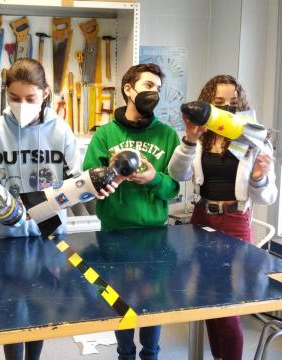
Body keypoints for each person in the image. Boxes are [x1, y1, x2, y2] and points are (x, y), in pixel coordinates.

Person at [0, 58, 116, 360]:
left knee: (41, 305)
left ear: (46, 93)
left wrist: (93, 189)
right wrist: (12, 212)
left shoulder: (62, 131)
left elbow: (75, 184)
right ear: (5, 94)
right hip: (7, 232)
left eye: (30, 98)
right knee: (10, 309)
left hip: (49, 232)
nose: (22, 104)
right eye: (14, 98)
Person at [168, 74, 277, 360]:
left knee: (228, 306)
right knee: (207, 300)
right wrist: (189, 141)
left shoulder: (254, 139)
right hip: (203, 216)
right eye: (219, 103)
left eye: (233, 102)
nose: (227, 108)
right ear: (208, 104)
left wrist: (258, 178)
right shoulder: (200, 137)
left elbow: (267, 196)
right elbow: (178, 175)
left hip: (235, 220)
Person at [82, 63, 180, 360]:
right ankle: (125, 354)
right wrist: (111, 175)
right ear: (128, 89)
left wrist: (154, 179)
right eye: (148, 86)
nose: (154, 94)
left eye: (158, 89)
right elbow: (89, 180)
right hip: (114, 235)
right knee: (121, 303)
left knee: (154, 302)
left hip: (154, 235)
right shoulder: (105, 135)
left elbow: (174, 189)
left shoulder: (167, 135)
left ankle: (151, 355)